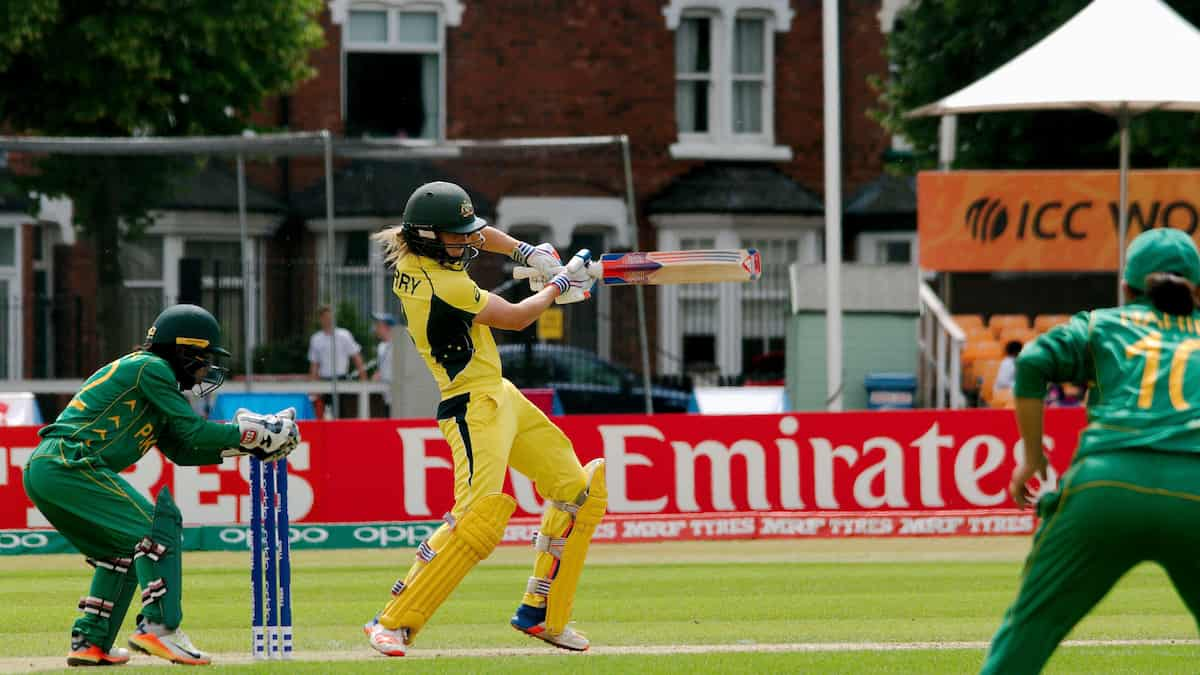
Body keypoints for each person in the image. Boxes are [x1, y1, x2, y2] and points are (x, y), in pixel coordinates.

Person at [363, 181, 603, 657]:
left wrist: (530, 253)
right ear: (431, 237)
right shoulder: (442, 283)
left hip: (500, 394)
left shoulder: (418, 257)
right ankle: (390, 622)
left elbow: (481, 234)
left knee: (578, 491)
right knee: (478, 520)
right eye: (458, 235)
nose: (469, 241)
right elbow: (515, 318)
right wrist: (559, 284)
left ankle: (541, 614)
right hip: (471, 405)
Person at [22, 304, 300, 667]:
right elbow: (195, 430)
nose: (205, 369)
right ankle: (160, 628)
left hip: (53, 469)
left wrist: (251, 445)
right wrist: (255, 433)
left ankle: (91, 642)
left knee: (119, 552)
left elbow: (184, 449)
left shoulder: (153, 383)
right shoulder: (150, 368)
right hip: (67, 464)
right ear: (182, 349)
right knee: (156, 528)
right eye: (202, 358)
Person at [982, 228, 1200, 673]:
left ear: (1126, 287)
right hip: (1194, 491)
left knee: (1028, 634)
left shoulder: (1103, 323)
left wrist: (1032, 458)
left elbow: (1030, 362)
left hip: (1105, 484)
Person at [307, 305, 367, 418]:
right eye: (325, 317)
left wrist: (363, 378)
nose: (328, 320)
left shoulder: (344, 335)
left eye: (330, 317)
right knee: (325, 414)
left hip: (341, 378)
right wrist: (313, 385)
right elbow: (314, 365)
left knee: (342, 413)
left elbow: (356, 357)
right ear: (320, 319)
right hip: (324, 380)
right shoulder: (316, 339)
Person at [371, 312, 396, 415]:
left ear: (387, 327)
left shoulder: (398, 346)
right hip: (385, 395)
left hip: (396, 396)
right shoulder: (381, 347)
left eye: (378, 325)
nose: (376, 328)